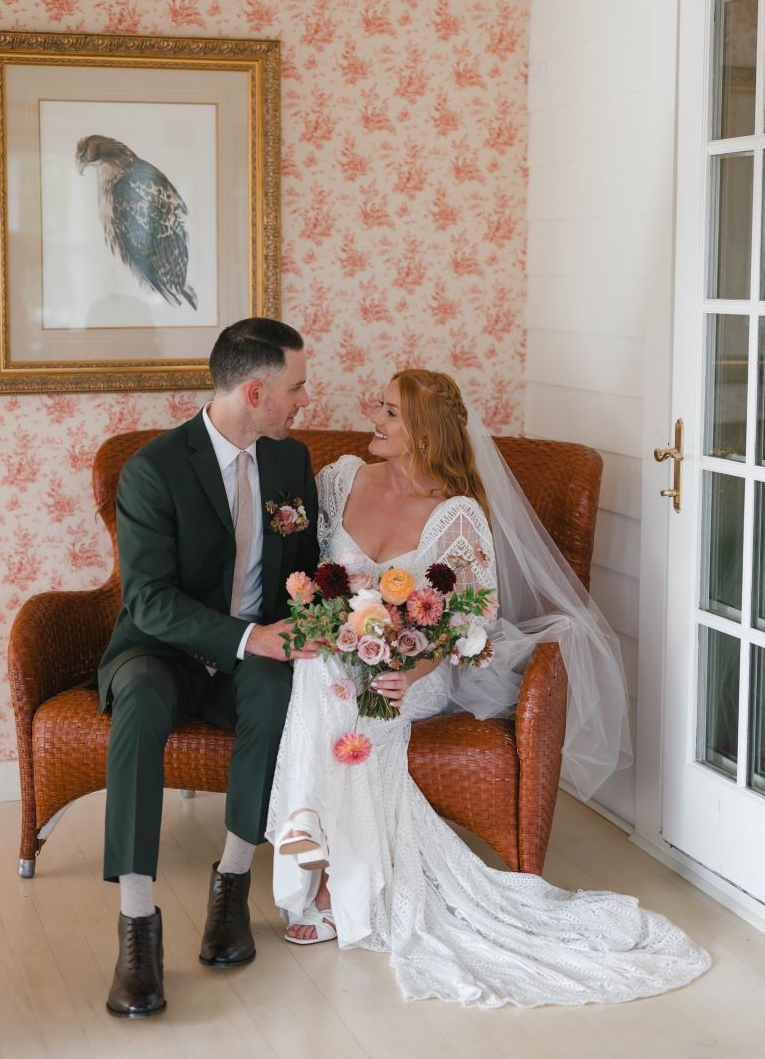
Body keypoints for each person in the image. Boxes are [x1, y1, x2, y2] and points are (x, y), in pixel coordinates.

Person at [266, 369, 710, 1008]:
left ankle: (315, 849)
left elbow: (469, 623)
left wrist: (409, 665)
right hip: (339, 655)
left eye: (389, 413)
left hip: (416, 672)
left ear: (421, 431)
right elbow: (300, 567)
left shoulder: (456, 515)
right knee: (323, 665)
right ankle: (321, 844)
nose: (375, 418)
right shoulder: (339, 479)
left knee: (357, 686)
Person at [99, 318, 320, 1018]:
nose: (302, 401)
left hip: (252, 657)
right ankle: (137, 929)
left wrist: (315, 620)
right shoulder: (154, 468)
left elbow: (306, 566)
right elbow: (149, 600)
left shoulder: (289, 463)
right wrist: (248, 636)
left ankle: (230, 887)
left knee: (276, 692)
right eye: (295, 388)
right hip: (159, 650)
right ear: (255, 391)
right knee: (135, 700)